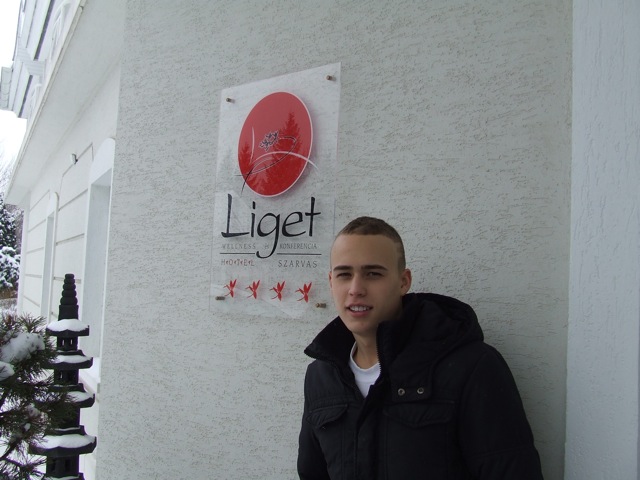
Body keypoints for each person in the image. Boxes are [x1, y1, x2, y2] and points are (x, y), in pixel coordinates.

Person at [297, 216, 543, 479]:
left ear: (404, 282)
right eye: (344, 274)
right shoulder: (321, 376)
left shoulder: (471, 367)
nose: (356, 289)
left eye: (373, 274)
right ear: (331, 282)